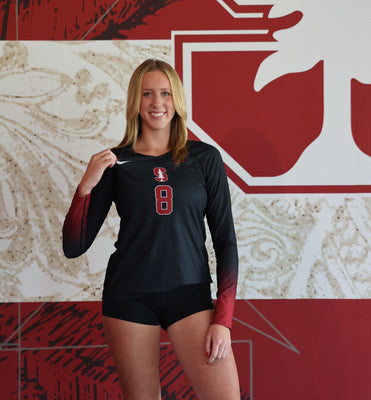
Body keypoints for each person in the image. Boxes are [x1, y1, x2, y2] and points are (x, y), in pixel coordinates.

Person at [62, 58, 240, 400]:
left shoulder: (205, 158)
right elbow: (74, 246)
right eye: (147, 94)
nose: (157, 102)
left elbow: (226, 242)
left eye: (165, 93)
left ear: (177, 100)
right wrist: (85, 187)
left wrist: (223, 319)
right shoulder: (114, 163)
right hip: (128, 297)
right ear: (135, 101)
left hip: (189, 295)